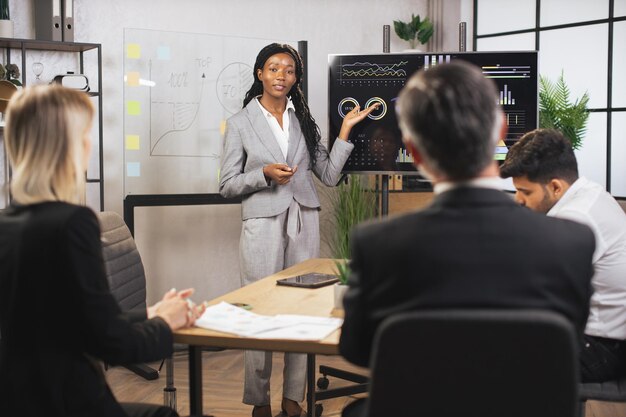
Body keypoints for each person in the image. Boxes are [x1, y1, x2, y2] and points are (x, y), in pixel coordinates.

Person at [339, 61, 596, 416]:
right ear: (502, 130)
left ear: (413, 152)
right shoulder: (573, 242)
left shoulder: (378, 243)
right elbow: (566, 348)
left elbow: (358, 350)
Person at [0, 85, 205, 417]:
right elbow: (111, 344)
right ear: (64, 146)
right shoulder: (72, 223)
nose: (88, 145)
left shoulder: (7, 224)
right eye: (84, 135)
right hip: (67, 402)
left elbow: (69, 320)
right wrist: (166, 325)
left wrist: (152, 313)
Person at [219, 43, 377, 417]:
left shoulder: (303, 120)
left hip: (303, 219)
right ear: (260, 73)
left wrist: (346, 131)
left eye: (289, 71)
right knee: (259, 313)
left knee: (301, 312)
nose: (281, 76)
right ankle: (260, 401)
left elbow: (328, 174)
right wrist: (263, 174)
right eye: (274, 69)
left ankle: (294, 399)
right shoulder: (240, 122)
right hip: (262, 223)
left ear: (295, 78)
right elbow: (226, 184)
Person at [500, 128, 626, 382]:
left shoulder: (573, 218)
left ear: (555, 187)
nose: (518, 200)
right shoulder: (590, 192)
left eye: (525, 192)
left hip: (598, 348)